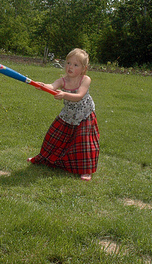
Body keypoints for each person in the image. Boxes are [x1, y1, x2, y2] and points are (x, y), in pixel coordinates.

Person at [27, 48, 100, 181]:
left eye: (75, 65)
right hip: (68, 114)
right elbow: (52, 86)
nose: (70, 67)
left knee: (84, 142)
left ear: (84, 68)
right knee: (53, 137)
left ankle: (86, 170)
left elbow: (79, 95)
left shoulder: (85, 79)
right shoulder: (63, 80)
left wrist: (64, 94)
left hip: (84, 115)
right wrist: (42, 85)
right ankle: (42, 158)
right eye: (68, 63)